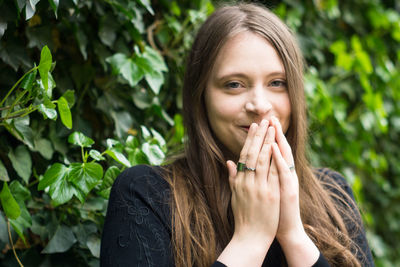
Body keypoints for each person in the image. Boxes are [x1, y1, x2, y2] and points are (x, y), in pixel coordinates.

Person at [100, 3, 374, 267]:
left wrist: (293, 236)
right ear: (201, 95)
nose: (260, 104)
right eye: (234, 84)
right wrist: (250, 241)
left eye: (277, 83)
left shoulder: (334, 197)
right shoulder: (146, 195)